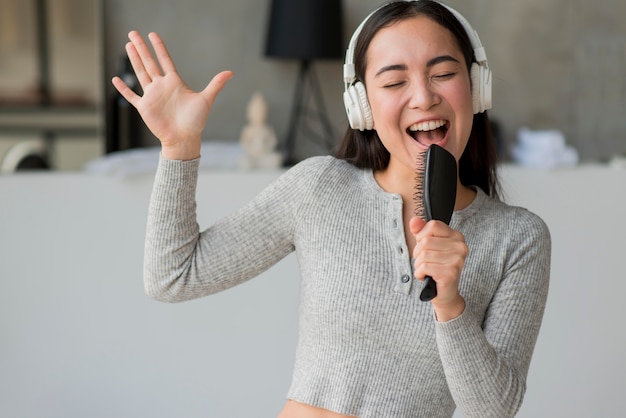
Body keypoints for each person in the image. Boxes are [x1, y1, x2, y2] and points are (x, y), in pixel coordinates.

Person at [111, 1, 551, 417]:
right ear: (363, 107)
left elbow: (491, 410)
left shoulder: (517, 237)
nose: (423, 97)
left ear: (476, 88)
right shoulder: (320, 188)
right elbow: (173, 276)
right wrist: (179, 147)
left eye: (443, 74)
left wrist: (451, 303)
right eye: (395, 81)